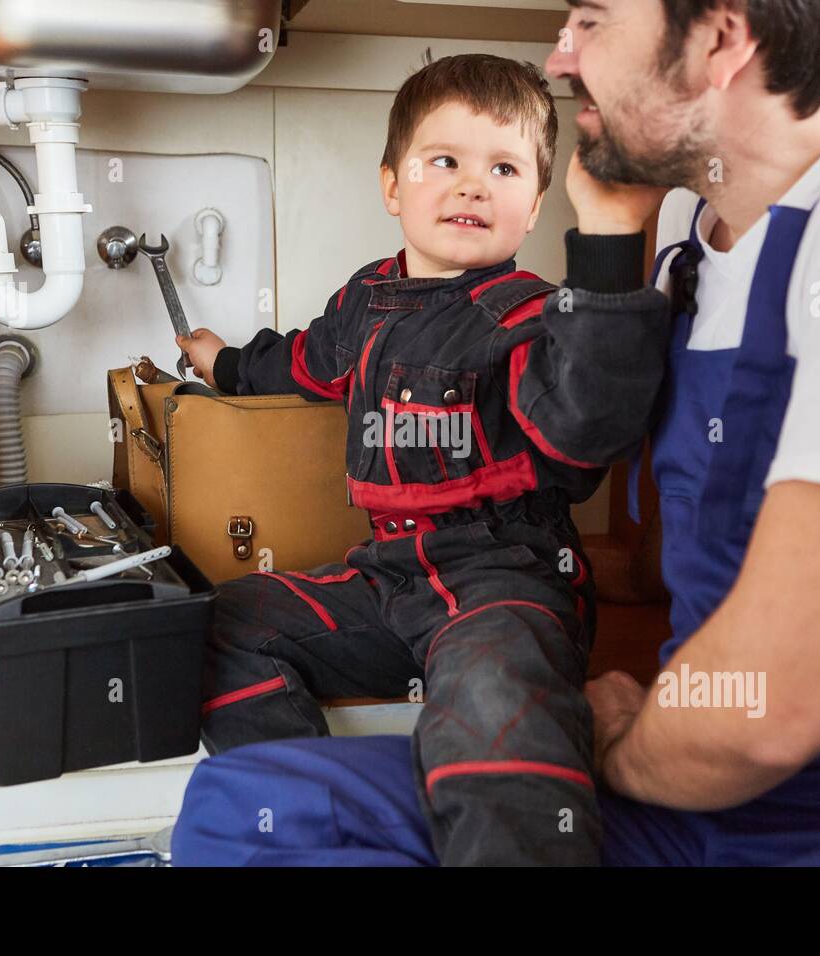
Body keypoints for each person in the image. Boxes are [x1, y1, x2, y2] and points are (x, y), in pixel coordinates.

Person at [171, 0, 820, 866]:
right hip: (699, 788)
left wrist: (614, 748)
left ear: (721, 36)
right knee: (242, 814)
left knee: (498, 761)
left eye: (591, 20)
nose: (561, 57)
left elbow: (769, 712)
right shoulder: (683, 227)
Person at [172, 52, 672, 865]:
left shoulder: (537, 319)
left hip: (505, 580)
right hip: (389, 576)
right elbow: (301, 362)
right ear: (393, 187)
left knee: (492, 711)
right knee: (221, 623)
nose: (473, 186)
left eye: (503, 168)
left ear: (535, 201)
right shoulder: (366, 299)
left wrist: (607, 263)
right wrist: (223, 361)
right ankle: (302, 816)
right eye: (445, 161)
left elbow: (586, 429)